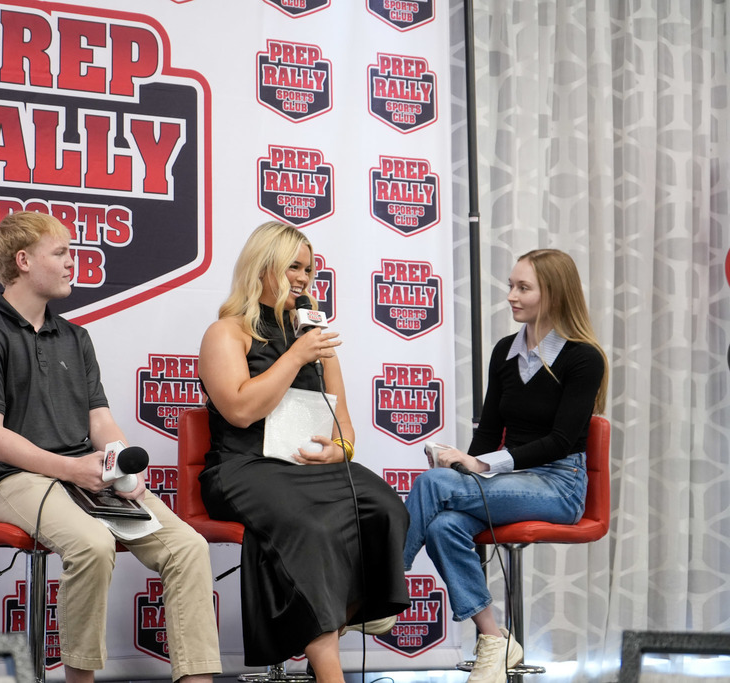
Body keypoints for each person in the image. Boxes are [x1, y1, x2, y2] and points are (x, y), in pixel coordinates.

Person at [0, 211, 221, 683]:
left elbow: (100, 421)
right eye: (60, 252)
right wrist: (69, 469)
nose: (72, 262)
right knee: (93, 545)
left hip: (84, 475)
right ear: (23, 261)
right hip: (11, 481)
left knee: (187, 546)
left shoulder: (77, 338)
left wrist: (123, 468)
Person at [196, 221, 411, 683]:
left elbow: (344, 425)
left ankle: (344, 613)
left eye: (309, 270)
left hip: (305, 467)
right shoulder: (227, 332)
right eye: (292, 266)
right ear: (262, 266)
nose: (303, 278)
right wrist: (295, 356)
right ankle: (330, 671)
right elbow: (239, 411)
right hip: (243, 468)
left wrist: (339, 451)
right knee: (310, 527)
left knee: (384, 505)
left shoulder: (315, 335)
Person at [403, 248, 609, 683]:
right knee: (443, 526)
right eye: (511, 285)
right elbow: (489, 430)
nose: (511, 295)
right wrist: (463, 466)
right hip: (512, 479)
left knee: (432, 485)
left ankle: (379, 593)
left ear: (553, 294)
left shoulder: (583, 357)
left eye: (523, 288)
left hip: (559, 485)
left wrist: (479, 464)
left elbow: (560, 442)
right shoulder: (505, 351)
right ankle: (494, 639)